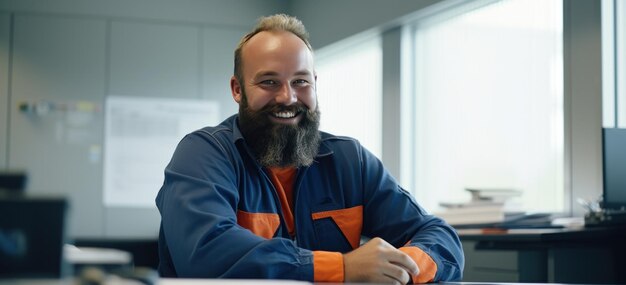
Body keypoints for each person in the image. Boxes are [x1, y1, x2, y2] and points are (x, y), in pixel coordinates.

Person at [156, 14, 464, 284]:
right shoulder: (204, 154)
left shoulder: (350, 161)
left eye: (300, 81)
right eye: (269, 82)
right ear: (238, 89)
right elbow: (206, 253)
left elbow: (439, 237)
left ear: (314, 84)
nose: (288, 97)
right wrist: (341, 267)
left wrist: (403, 268)